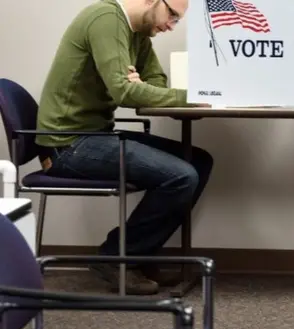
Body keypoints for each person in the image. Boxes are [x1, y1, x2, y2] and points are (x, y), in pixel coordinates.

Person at [36, 0, 214, 295]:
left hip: (95, 136)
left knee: (198, 162)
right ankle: (115, 259)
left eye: (176, 20)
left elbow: (154, 81)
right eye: (171, 14)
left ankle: (136, 258)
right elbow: (125, 92)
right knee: (182, 175)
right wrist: (193, 97)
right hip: (66, 144)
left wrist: (140, 85)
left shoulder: (139, 32)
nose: (171, 25)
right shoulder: (106, 19)